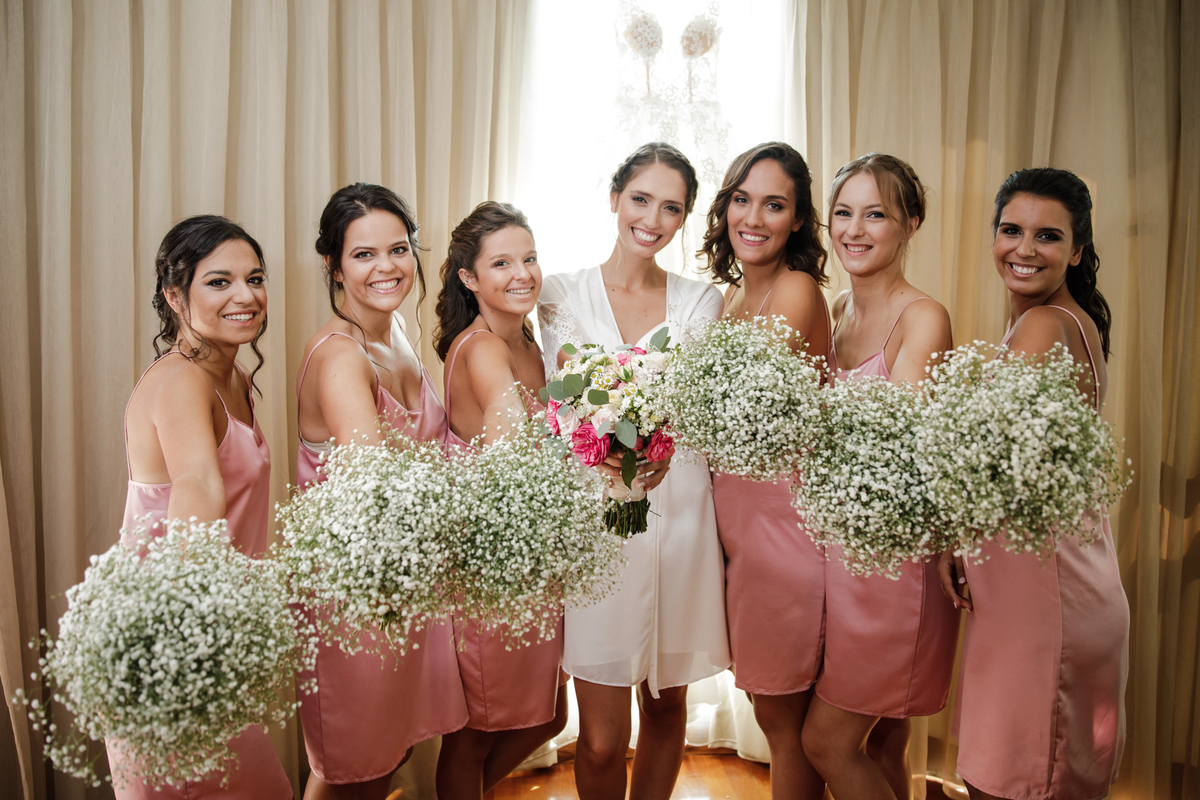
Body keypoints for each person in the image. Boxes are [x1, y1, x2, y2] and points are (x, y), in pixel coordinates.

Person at [537, 143, 731, 800]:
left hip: (679, 519)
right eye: (641, 198)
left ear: (683, 220)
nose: (652, 218)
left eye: (671, 207)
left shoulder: (702, 302)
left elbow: (703, 412)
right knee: (597, 737)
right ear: (615, 197)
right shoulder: (557, 295)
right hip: (597, 529)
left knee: (668, 708)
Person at [938, 167, 1129, 800]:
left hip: (1046, 598)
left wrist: (949, 536)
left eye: (1047, 236)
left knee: (1017, 785)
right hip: (1047, 589)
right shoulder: (1061, 322)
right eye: (1010, 230)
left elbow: (986, 463)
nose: (1023, 248)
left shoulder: (1048, 325)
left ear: (1076, 251)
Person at [294, 183, 468, 800]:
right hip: (356, 598)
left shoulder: (395, 334)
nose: (386, 267)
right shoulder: (341, 356)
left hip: (406, 581)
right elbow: (377, 485)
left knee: (387, 756)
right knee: (351, 768)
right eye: (363, 254)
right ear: (332, 265)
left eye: (398, 249)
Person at [109, 215, 291, 799]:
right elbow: (199, 487)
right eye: (219, 282)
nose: (246, 295)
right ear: (174, 295)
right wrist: (195, 641)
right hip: (175, 640)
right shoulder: (181, 382)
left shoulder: (231, 375)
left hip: (213, 633)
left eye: (255, 278)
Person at [800, 153, 959, 800]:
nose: (854, 230)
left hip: (894, 568)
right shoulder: (834, 308)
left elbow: (899, 456)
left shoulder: (923, 318)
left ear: (911, 223)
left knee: (826, 743)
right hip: (839, 559)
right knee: (884, 742)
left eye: (876, 214)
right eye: (843, 213)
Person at [701, 141, 832, 800]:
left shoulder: (796, 289)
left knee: (785, 720)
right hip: (739, 532)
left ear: (799, 220)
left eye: (774, 204)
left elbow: (743, 410)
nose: (753, 217)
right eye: (742, 199)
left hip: (784, 532)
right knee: (768, 705)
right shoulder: (728, 300)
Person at [433, 201, 569, 799]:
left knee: (548, 715)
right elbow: (508, 423)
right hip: (490, 563)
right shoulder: (482, 347)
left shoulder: (531, 343)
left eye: (530, 258)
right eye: (503, 263)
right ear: (469, 278)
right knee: (476, 731)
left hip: (531, 552)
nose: (523, 275)